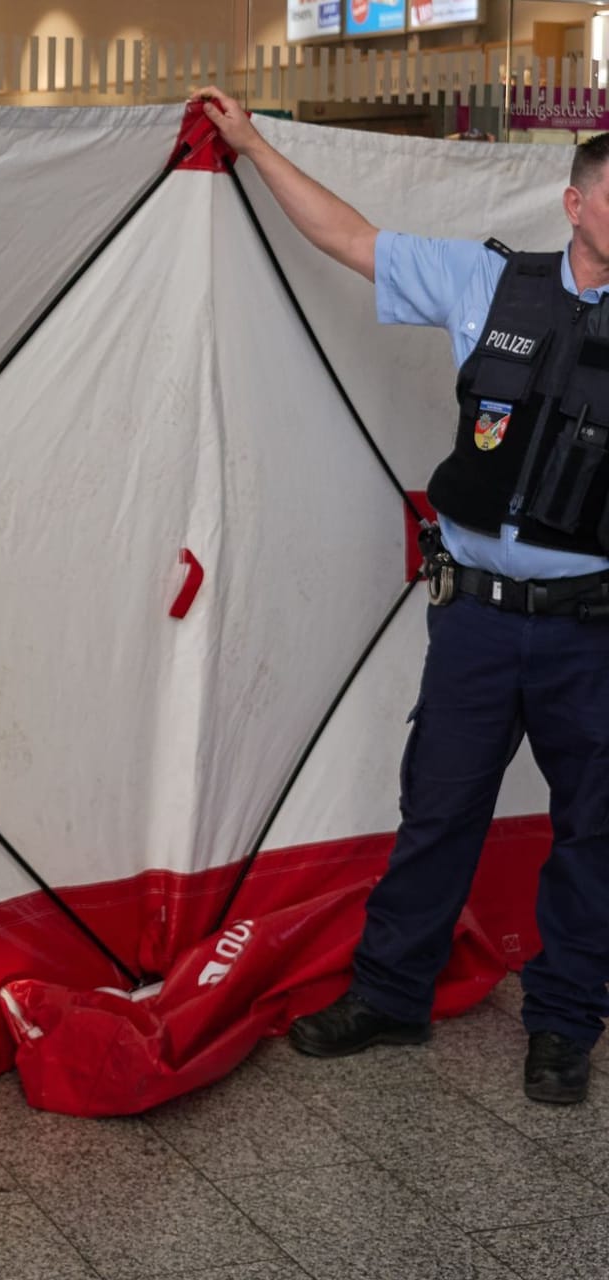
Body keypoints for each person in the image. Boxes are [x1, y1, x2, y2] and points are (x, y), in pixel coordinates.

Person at [198, 87, 609, 1106]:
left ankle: (564, 1023)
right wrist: (250, 140)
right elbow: (351, 236)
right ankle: (391, 993)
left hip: (591, 633)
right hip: (474, 616)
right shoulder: (486, 282)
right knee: (438, 809)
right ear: (575, 203)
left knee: (597, 830)